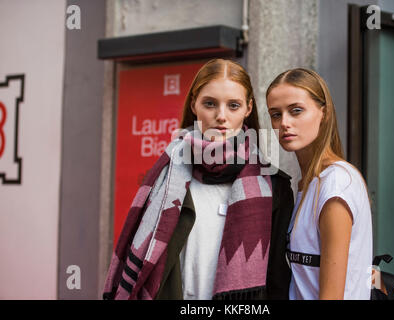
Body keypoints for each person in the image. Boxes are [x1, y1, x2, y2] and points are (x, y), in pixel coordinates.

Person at [103, 59, 294, 300]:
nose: (221, 116)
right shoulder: (166, 176)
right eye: (210, 104)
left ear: (248, 108)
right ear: (194, 104)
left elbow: (278, 282)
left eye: (233, 105)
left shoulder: (274, 185)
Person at [266, 68, 373, 300]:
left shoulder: (336, 183)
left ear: (322, 113)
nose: (284, 123)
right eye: (275, 114)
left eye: (296, 111)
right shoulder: (309, 183)